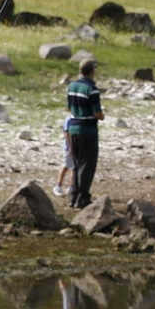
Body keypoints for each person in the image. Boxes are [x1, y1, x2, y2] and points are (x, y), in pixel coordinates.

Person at [65, 59, 105, 210]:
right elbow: (97, 113)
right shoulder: (92, 89)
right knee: (87, 164)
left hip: (73, 128)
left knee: (76, 163)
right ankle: (83, 197)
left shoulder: (71, 86)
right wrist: (102, 116)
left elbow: (69, 108)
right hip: (87, 130)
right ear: (92, 71)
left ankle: (73, 196)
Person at [52, 115, 76, 200]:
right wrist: (70, 146)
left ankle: (71, 186)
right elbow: (66, 133)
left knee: (74, 167)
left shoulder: (76, 118)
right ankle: (58, 185)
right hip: (69, 147)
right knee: (66, 165)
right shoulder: (69, 119)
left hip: (76, 146)